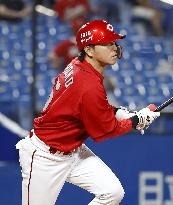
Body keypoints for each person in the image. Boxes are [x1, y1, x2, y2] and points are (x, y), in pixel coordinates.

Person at [16, 19, 160, 205]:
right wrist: (135, 120)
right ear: (89, 50)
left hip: (73, 150)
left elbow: (91, 108)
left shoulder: (81, 66)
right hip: (45, 156)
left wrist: (122, 113)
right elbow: (106, 130)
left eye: (114, 42)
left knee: (112, 192)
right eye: (107, 43)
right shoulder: (87, 84)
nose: (114, 47)